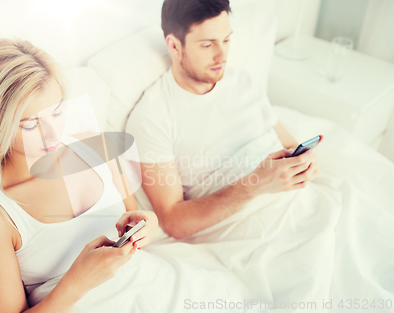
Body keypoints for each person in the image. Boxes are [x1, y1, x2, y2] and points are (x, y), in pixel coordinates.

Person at [0, 37, 253, 313]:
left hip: (165, 290)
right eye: (30, 124)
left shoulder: (92, 148)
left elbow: (139, 219)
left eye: (56, 112)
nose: (51, 134)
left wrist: (148, 226)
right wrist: (77, 281)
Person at [125, 0, 323, 240]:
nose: (222, 55)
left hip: (305, 202)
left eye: (226, 40)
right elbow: (172, 221)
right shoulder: (152, 117)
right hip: (255, 229)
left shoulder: (243, 82)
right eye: (207, 45)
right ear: (175, 46)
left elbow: (288, 143)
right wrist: (254, 184)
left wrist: (304, 164)